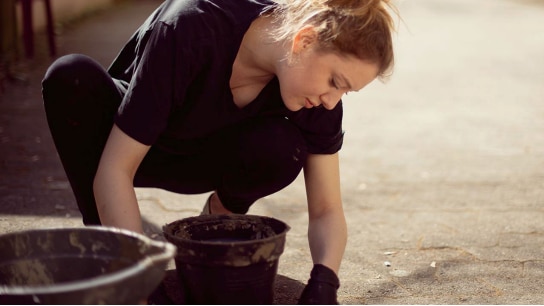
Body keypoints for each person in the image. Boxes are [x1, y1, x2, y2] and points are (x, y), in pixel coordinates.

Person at [42, 0, 396, 303]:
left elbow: (326, 209)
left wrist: (325, 282)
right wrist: (140, 282)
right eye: (335, 82)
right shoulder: (190, 25)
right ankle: (110, 252)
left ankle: (216, 221)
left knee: (283, 145)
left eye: (345, 92)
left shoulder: (318, 102)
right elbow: (115, 170)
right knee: (70, 76)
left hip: (204, 156)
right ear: (303, 41)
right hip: (131, 150)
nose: (332, 100)